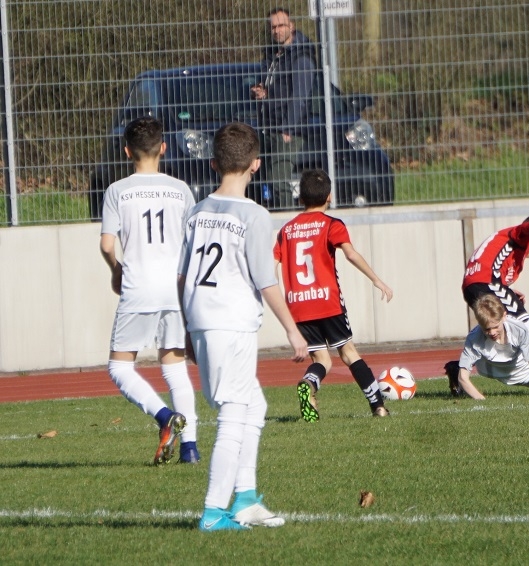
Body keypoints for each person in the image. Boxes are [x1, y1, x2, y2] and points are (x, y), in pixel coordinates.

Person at [180, 122, 308, 531]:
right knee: (234, 414)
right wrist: (292, 329)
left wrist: (186, 327)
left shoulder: (196, 211)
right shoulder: (254, 214)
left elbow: (182, 276)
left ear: (214, 163)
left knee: (255, 405)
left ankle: (246, 499)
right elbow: (265, 280)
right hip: (231, 323)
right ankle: (214, 512)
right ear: (256, 164)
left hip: (202, 320)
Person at [99, 117, 200, 465]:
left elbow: (107, 244)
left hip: (139, 287)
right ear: (163, 148)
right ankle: (190, 448)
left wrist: (116, 270)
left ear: (127, 151)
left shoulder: (118, 190)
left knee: (120, 367)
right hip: (175, 288)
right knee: (175, 367)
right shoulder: (181, 189)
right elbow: (192, 242)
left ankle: (163, 416)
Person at [273, 169, 394, 421]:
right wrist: (376, 279)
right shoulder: (331, 225)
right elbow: (351, 254)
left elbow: (270, 266)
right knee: (349, 353)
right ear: (329, 196)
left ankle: (309, 382)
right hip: (327, 302)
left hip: (299, 306)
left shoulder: (286, 231)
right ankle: (379, 406)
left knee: (322, 359)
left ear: (300, 198)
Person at [444, 210, 529, 395]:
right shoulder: (520, 236)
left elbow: (493, 265)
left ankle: (459, 367)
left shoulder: (508, 245)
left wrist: (507, 290)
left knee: (495, 327)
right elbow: (525, 229)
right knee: (526, 323)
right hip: (486, 282)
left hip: (474, 285)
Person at [250, 7, 315, 209]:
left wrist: (289, 127)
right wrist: (261, 92)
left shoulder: (301, 57)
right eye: (273, 27)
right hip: (269, 126)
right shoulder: (273, 55)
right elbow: (277, 90)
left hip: (287, 130)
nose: (277, 31)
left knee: (279, 179)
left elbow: (299, 96)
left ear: (291, 26)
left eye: (281, 26)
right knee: (266, 178)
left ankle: (287, 217)